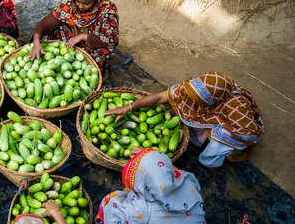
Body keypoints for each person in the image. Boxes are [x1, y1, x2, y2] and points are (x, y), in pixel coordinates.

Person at [104, 71, 264, 168]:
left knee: (220, 139)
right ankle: (204, 132)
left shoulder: (238, 109)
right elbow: (161, 97)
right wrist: (130, 107)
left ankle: (216, 157)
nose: (191, 101)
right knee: (191, 111)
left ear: (212, 101)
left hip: (238, 130)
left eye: (198, 102)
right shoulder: (196, 87)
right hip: (214, 113)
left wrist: (234, 149)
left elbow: (250, 134)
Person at [29, 0, 118, 70]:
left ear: (95, 1)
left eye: (86, 3)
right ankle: (65, 60)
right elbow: (46, 23)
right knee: (58, 28)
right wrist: (36, 40)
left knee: (100, 55)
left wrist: (83, 36)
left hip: (92, 43)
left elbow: (112, 39)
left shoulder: (107, 10)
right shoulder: (69, 3)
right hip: (71, 40)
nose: (81, 6)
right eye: (78, 2)